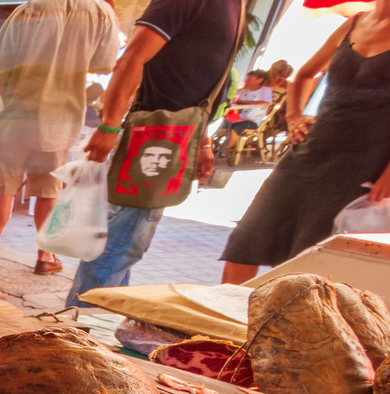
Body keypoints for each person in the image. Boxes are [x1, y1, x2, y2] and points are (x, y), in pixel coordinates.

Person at [67, 0, 245, 307]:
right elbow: (133, 56)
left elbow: (203, 82)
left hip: (180, 134)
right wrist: (109, 125)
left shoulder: (237, 6)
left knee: (128, 242)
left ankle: (91, 326)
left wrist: (202, 142)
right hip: (154, 134)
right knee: (119, 242)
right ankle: (75, 329)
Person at [221, 7, 390, 281]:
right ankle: (219, 317)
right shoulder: (354, 23)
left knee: (311, 258)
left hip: (363, 163)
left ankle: (285, 318)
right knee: (247, 241)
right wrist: (294, 116)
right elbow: (304, 74)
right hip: (312, 149)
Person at [0, 0, 118, 277]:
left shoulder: (30, 8)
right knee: (48, 189)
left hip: (16, 115)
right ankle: (45, 256)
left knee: (3, 186)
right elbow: (104, 67)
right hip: (62, 118)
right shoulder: (102, 13)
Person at [223, 68, 273, 136]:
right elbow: (231, 98)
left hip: (252, 122)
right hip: (236, 118)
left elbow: (266, 103)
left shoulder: (265, 90)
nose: (246, 81)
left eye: (249, 79)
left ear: (259, 80)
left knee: (235, 129)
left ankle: (227, 146)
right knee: (217, 123)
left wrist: (244, 101)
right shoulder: (243, 90)